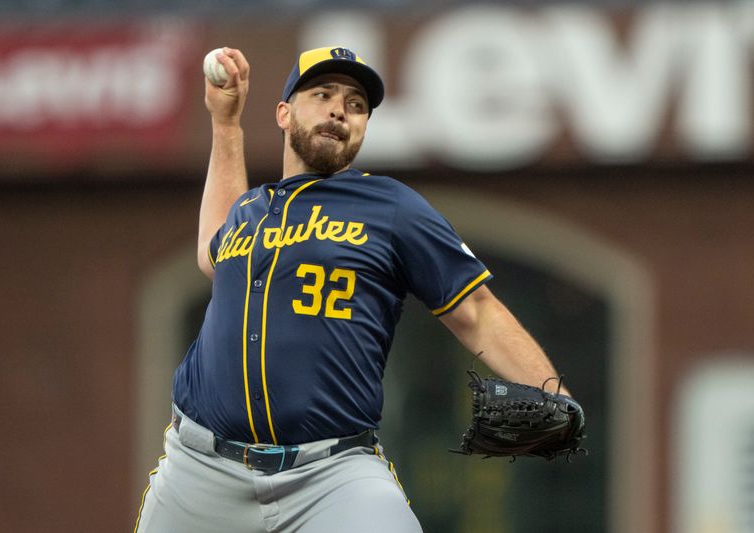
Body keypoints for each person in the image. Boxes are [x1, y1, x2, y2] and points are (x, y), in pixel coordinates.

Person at [134, 46, 569, 533]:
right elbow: (212, 253)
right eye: (322, 95)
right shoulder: (250, 209)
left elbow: (477, 310)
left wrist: (556, 392)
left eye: (357, 104)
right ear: (283, 113)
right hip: (200, 469)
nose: (340, 109)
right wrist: (226, 123)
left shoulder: (390, 206)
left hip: (332, 474)